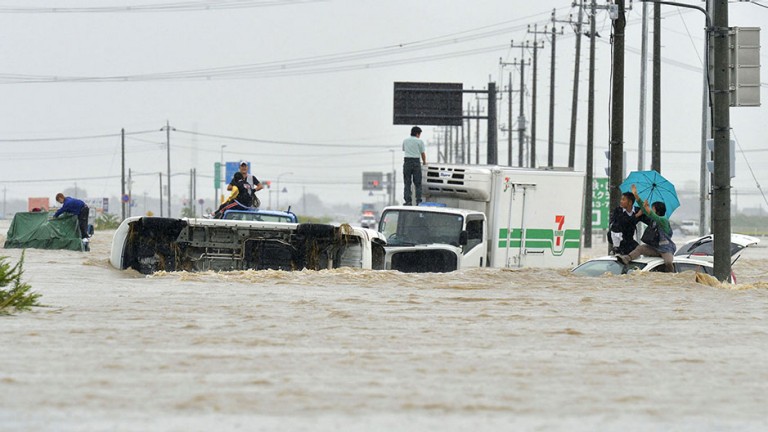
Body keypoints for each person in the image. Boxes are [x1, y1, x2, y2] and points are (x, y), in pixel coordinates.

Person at [618, 184, 676, 272]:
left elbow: (652, 214)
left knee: (668, 262)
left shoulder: (664, 220)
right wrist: (636, 195)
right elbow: (644, 210)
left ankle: (672, 275)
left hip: (665, 249)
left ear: (658, 210)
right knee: (641, 248)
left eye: (653, 208)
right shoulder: (653, 220)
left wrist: (647, 207)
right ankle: (627, 258)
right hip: (655, 248)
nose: (651, 210)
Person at [608, 191, 642, 255]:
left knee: (640, 251)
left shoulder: (637, 210)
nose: (621, 201)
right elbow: (622, 222)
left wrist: (644, 208)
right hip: (619, 241)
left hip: (630, 241)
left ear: (630, 202)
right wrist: (636, 216)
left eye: (623, 199)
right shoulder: (618, 210)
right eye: (621, 199)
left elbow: (648, 220)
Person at [402, 126, 427, 206]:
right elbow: (422, 153)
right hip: (416, 162)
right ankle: (418, 201)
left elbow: (404, 150)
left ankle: (408, 201)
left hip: (407, 162)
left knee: (407, 183)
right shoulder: (420, 141)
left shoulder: (405, 141)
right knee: (417, 183)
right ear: (417, 134)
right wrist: (424, 162)